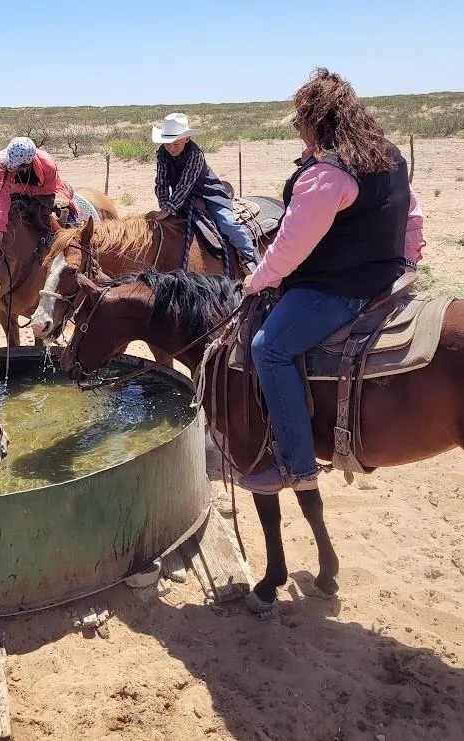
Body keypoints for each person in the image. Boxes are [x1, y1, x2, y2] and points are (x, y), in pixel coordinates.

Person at [238, 68, 426, 494]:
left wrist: (257, 280)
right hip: (388, 277)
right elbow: (412, 213)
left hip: (338, 289)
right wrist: (408, 258)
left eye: (301, 124)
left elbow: (289, 247)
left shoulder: (327, 176)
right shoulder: (388, 155)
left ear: (314, 121)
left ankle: (295, 465)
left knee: (268, 348)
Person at [152, 113, 258, 273]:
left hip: (209, 194)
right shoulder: (162, 153)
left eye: (176, 144)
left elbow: (186, 184)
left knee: (227, 223)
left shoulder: (195, 154)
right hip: (182, 199)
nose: (171, 148)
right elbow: (161, 182)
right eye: (167, 144)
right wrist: (163, 204)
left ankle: (250, 257)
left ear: (186, 139)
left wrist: (169, 208)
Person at [0, 137, 78, 244]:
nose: (9, 166)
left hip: (45, 193)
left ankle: (71, 239)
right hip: (14, 191)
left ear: (25, 165)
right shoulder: (3, 163)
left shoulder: (48, 165)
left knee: (57, 214)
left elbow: (48, 189)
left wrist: (21, 189)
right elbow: (1, 194)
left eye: (13, 164)